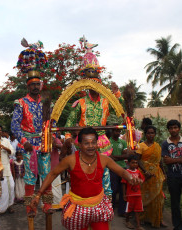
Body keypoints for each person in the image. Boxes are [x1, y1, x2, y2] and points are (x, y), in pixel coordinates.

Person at [31, 127, 141, 230]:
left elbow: (121, 171)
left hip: (99, 206)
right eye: (86, 143)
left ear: (97, 143)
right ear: (79, 144)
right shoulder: (70, 160)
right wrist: (38, 194)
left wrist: (131, 178)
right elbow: (52, 174)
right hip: (77, 207)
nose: (91, 146)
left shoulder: (104, 159)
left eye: (93, 142)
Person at [64, 37, 122, 197]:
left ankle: (106, 204)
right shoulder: (80, 102)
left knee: (104, 177)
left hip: (102, 142)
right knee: (83, 176)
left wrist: (117, 93)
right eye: (91, 84)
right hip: (83, 143)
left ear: (100, 84)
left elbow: (123, 112)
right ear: (87, 85)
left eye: (96, 83)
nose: (94, 87)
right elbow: (69, 123)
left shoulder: (106, 101)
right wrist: (68, 137)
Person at [11, 74, 53, 216]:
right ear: (28, 86)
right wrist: (24, 141)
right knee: (29, 176)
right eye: (32, 84)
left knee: (46, 174)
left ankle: (47, 204)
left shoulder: (46, 102)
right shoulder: (21, 102)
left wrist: (54, 138)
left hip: (44, 143)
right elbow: (14, 125)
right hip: (28, 144)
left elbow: (52, 123)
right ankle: (30, 207)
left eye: (37, 84)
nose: (35, 87)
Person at [136, 125, 166, 228]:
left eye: (152, 133)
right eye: (148, 133)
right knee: (144, 196)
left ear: (155, 134)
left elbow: (159, 161)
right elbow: (138, 160)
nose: (150, 135)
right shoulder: (141, 146)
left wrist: (164, 173)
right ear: (145, 134)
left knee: (158, 197)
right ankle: (143, 218)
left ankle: (158, 219)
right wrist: (145, 171)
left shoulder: (158, 146)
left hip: (156, 175)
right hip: (145, 175)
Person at [109, 126, 133, 216]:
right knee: (113, 190)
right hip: (111, 168)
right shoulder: (107, 142)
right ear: (112, 131)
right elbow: (108, 157)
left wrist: (114, 157)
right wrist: (119, 157)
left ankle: (122, 211)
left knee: (123, 190)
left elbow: (127, 155)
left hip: (123, 168)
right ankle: (111, 209)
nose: (118, 133)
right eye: (116, 131)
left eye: (119, 131)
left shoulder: (123, 142)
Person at [0, 124, 15, 213]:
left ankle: (9, 205)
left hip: (6, 168)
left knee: (11, 187)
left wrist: (5, 148)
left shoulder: (5, 141)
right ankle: (0, 208)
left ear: (2, 131)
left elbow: (12, 152)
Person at [122, 155, 145, 230]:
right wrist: (124, 194)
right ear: (128, 163)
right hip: (130, 194)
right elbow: (123, 183)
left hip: (138, 194)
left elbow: (142, 180)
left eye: (136, 163)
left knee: (137, 210)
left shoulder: (138, 172)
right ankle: (127, 221)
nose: (135, 164)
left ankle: (138, 226)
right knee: (129, 210)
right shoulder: (126, 172)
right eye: (133, 163)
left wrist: (140, 181)